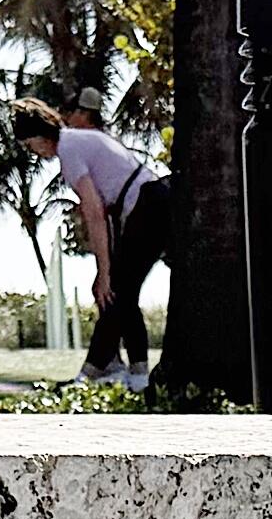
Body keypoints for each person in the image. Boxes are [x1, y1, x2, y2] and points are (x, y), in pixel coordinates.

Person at [16, 98, 170, 392]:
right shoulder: (80, 140)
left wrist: (104, 271)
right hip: (151, 202)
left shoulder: (68, 152)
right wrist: (106, 268)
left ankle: (91, 374)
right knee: (123, 293)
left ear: (38, 137)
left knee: (113, 292)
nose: (33, 152)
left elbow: (95, 212)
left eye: (29, 145)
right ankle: (136, 372)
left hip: (148, 207)